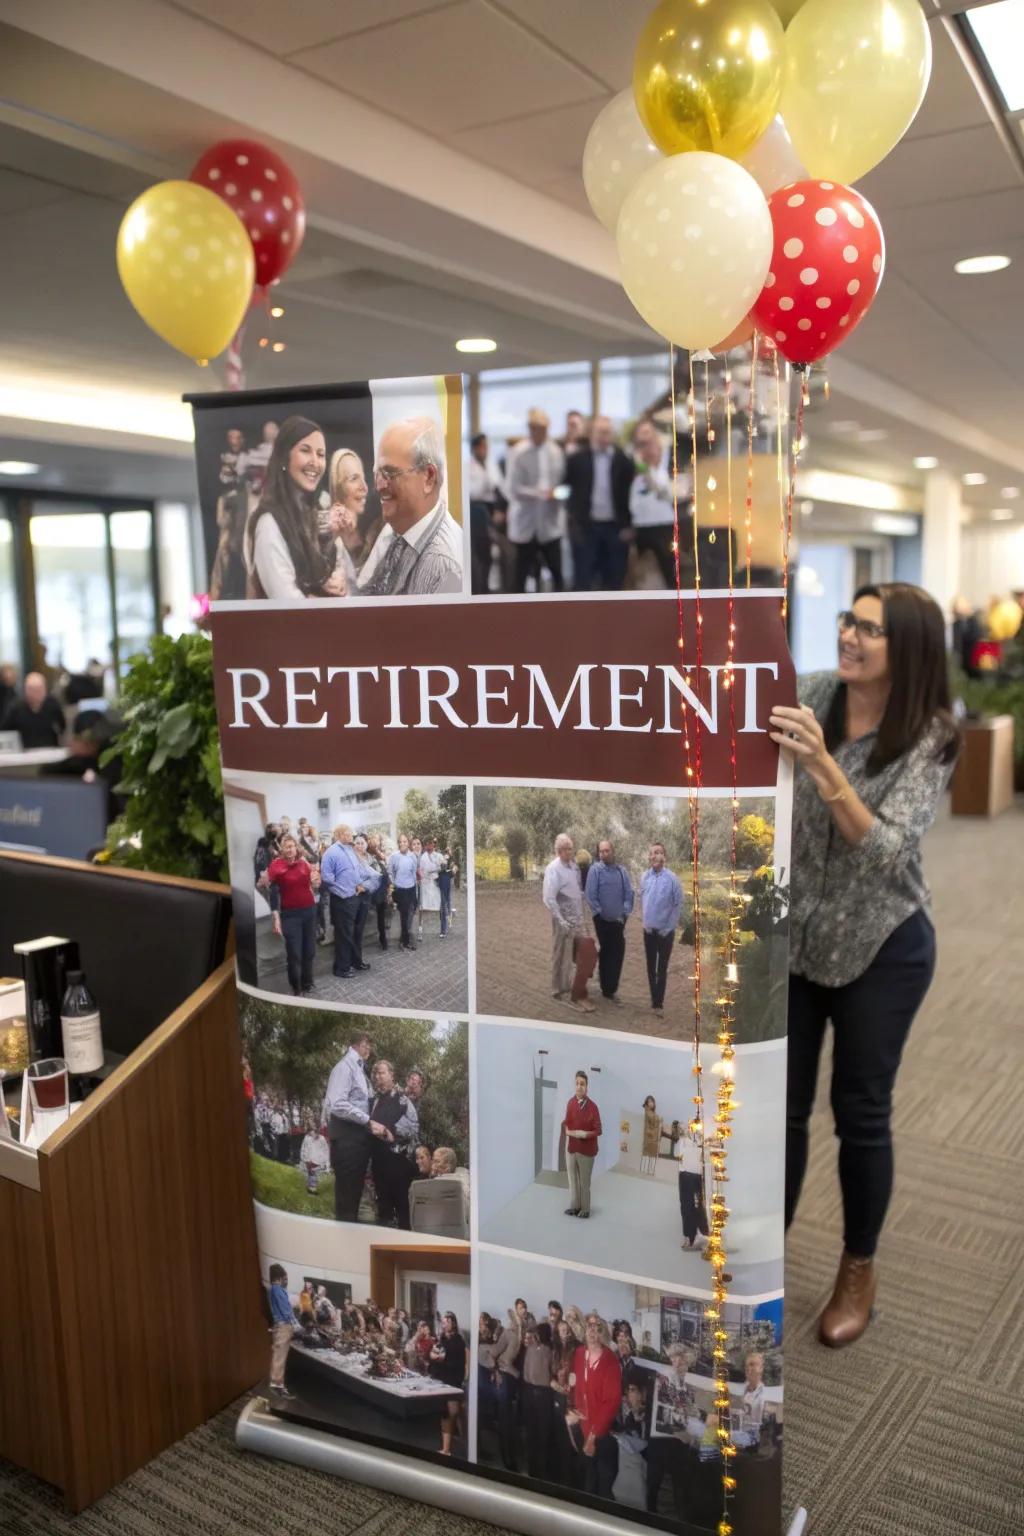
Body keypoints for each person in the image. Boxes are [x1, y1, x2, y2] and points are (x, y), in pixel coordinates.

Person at [771, 584, 959, 1348]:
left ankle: (859, 1268)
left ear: (905, 648)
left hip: (883, 945)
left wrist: (823, 766)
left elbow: (885, 849)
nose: (848, 635)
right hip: (798, 942)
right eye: (848, 619)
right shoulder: (816, 690)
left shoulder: (933, 735)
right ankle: (764, 1259)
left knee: (860, 1114)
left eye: (868, 629)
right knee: (778, 1111)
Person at [244, 415, 347, 599]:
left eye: (321, 454)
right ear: (284, 457)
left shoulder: (319, 512)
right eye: (305, 451)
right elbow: (288, 603)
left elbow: (334, 574)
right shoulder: (269, 523)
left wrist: (339, 581)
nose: (315, 462)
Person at [358, 417, 462, 595]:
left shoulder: (441, 564)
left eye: (390, 473)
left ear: (429, 477)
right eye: (378, 473)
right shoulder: (397, 528)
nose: (379, 485)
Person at [565, 414, 634, 591]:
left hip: (615, 528)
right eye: (600, 432)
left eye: (608, 432)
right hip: (586, 527)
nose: (604, 437)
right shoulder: (577, 459)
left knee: (614, 578)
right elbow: (565, 489)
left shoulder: (623, 461)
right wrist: (572, 518)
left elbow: (629, 494)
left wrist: (628, 524)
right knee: (583, 579)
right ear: (592, 434)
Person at [323, 1029, 386, 1222]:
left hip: (358, 1142)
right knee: (347, 1200)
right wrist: (367, 1120)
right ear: (357, 1044)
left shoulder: (360, 1070)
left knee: (353, 1198)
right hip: (347, 1141)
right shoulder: (345, 1067)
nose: (369, 1048)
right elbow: (337, 1104)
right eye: (367, 1044)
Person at [505, 408, 567, 592]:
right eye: (535, 428)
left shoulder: (556, 451)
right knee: (520, 577)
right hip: (526, 523)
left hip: (550, 524)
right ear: (530, 428)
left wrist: (556, 493)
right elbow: (512, 488)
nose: (539, 432)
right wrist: (539, 494)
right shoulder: (518, 452)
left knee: (557, 575)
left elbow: (563, 484)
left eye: (543, 428)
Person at [629, 418, 693, 589]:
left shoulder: (670, 459)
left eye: (648, 440)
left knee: (670, 572)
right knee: (641, 574)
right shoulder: (633, 464)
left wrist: (647, 470)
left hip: (665, 524)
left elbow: (668, 493)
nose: (645, 447)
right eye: (641, 443)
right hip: (641, 525)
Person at [567, 1316, 621, 1499]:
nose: (592, 1331)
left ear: (603, 1333)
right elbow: (575, 1384)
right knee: (587, 1480)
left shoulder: (610, 1361)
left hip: (601, 1433)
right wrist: (572, 1410)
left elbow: (612, 1402)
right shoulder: (580, 1353)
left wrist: (593, 1435)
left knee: (603, 1488)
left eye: (598, 1328)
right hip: (582, 1425)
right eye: (589, 1327)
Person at [263, 833, 320, 997]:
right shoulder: (276, 865)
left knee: (309, 951)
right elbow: (273, 893)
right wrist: (276, 916)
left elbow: (313, 882)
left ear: (296, 847)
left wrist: (316, 882)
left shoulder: (303, 863)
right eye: (286, 846)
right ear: (282, 849)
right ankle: (296, 987)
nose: (289, 849)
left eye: (292, 846)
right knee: (294, 953)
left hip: (309, 911)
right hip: (290, 915)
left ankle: (308, 982)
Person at [543, 834, 594, 1015]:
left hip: (577, 919)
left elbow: (578, 892)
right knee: (561, 955)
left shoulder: (573, 867)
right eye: (565, 848)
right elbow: (549, 898)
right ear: (558, 851)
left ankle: (576, 988)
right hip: (562, 920)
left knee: (587, 952)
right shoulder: (553, 869)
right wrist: (561, 920)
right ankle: (558, 990)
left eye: (571, 848)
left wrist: (582, 918)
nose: (569, 851)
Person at [320, 824, 379, 979]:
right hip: (341, 899)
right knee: (343, 935)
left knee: (353, 933)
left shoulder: (349, 849)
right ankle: (341, 968)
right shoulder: (331, 852)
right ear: (339, 834)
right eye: (347, 833)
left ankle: (354, 962)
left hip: (353, 897)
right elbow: (326, 877)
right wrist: (342, 888)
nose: (351, 836)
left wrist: (359, 884)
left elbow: (356, 870)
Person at [368, 1059, 418, 1228]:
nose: (378, 1077)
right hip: (378, 1165)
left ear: (392, 1075)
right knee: (384, 1212)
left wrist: (390, 1131)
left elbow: (413, 1126)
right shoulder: (373, 1100)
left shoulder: (402, 1099)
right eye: (375, 1074)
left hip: (399, 1165)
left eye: (381, 1073)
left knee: (403, 1210)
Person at [584, 839, 634, 1005]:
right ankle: (607, 989)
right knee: (607, 951)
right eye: (601, 851)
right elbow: (590, 895)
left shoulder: (622, 871)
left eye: (607, 851)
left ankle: (610, 988)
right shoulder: (595, 870)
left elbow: (629, 893)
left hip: (619, 920)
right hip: (602, 920)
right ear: (598, 853)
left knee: (618, 952)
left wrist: (624, 914)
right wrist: (599, 913)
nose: (604, 854)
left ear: (613, 851)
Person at [639, 843, 683, 1014]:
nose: (655, 856)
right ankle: (654, 999)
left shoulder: (672, 879)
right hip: (648, 931)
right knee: (650, 967)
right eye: (652, 853)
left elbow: (678, 904)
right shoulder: (645, 877)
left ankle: (659, 1004)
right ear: (649, 857)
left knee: (661, 968)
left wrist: (669, 927)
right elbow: (642, 898)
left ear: (664, 857)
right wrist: (644, 921)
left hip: (666, 932)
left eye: (658, 853)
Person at [468, 431, 506, 592]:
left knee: (498, 552)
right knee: (481, 553)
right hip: (477, 510)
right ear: (475, 448)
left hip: (494, 508)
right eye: (482, 447)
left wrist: (499, 509)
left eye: (487, 447)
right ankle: (481, 588)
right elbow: (473, 492)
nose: (485, 450)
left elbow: (500, 487)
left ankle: (498, 587)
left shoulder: (492, 465)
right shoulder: (467, 466)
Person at [562, 1071, 602, 1220]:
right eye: (577, 1083)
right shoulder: (571, 1103)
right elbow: (567, 1124)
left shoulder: (593, 1107)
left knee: (584, 1182)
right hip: (572, 1148)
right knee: (572, 1179)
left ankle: (585, 1209)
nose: (579, 1087)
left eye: (582, 1084)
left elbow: (598, 1130)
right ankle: (574, 1207)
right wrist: (572, 1133)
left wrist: (584, 1134)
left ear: (587, 1087)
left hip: (586, 1151)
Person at [326, 446, 371, 576]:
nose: (364, 487)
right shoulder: (328, 537)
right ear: (337, 487)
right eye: (353, 479)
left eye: (363, 478)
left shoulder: (372, 531)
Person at [429, 1312, 467, 1456]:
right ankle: (446, 1449)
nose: (444, 1325)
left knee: (455, 1413)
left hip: (453, 1381)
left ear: (453, 1324)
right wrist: (434, 1356)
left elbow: (457, 1362)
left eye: (446, 1322)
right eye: (443, 1322)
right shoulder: (442, 1338)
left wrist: (442, 1359)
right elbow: (435, 1354)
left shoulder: (458, 1341)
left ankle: (467, 1448)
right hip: (442, 1380)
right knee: (446, 1414)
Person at [520, 1322, 555, 1480]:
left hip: (544, 1395)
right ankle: (532, 1469)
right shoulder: (530, 1349)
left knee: (543, 1435)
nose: (536, 1336)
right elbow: (526, 1371)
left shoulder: (550, 1351)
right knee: (531, 1433)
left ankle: (543, 1473)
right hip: (529, 1393)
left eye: (539, 1333)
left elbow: (552, 1372)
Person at [1, 670, 64, 748]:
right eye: (31, 689)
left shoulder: (53, 705)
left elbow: (63, 728)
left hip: (49, 750)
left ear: (45, 690)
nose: (35, 694)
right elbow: (5, 732)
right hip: (23, 752)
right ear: (25, 690)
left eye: (39, 690)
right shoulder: (15, 707)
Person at [674, 1123, 708, 1250]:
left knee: (698, 1205)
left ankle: (701, 1234)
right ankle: (690, 1236)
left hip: (697, 1174)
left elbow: (705, 1156)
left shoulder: (701, 1138)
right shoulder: (683, 1139)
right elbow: (677, 1153)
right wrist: (681, 1138)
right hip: (686, 1173)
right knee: (687, 1205)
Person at [267, 1264, 296, 1398]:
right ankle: (278, 1385)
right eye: (285, 1278)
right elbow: (286, 1310)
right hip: (283, 1325)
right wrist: (295, 1324)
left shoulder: (273, 1289)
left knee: (278, 1355)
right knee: (280, 1356)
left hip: (279, 1325)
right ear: (280, 1277)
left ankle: (276, 1383)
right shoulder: (277, 1289)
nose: (286, 1281)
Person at [387, 832, 420, 951]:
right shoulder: (394, 857)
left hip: (411, 889)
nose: (402, 844)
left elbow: (414, 874)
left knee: (410, 915)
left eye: (404, 841)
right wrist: (393, 886)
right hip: (400, 890)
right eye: (400, 842)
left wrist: (415, 891)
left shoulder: (413, 856)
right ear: (398, 844)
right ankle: (405, 942)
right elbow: (390, 872)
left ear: (408, 843)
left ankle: (404, 939)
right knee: (404, 916)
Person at [430, 1145, 471, 1227]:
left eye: (437, 1161)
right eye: (433, 1161)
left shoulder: (438, 1184)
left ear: (447, 1167)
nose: (433, 1164)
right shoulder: (466, 1178)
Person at [364, 834, 391, 950]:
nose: (376, 845)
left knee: (381, 914)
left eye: (378, 843)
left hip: (382, 888)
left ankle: (383, 939)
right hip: (373, 888)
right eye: (374, 843)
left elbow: (386, 867)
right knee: (370, 914)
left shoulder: (380, 855)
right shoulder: (366, 857)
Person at [417, 837, 444, 940]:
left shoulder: (439, 856)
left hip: (436, 885)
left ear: (434, 844)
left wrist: (438, 869)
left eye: (431, 843)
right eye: (427, 843)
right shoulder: (422, 857)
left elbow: (443, 867)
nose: (429, 845)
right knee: (422, 908)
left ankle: (442, 930)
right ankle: (420, 931)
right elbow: (423, 871)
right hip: (425, 885)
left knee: (440, 907)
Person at [299, 1120, 330, 1194]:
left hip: (317, 1159)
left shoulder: (321, 1139)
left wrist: (325, 1161)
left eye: (315, 1131)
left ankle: (312, 1188)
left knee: (314, 1173)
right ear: (309, 1132)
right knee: (311, 1173)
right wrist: (305, 1158)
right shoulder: (307, 1138)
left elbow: (325, 1150)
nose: (313, 1134)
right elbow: (304, 1148)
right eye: (311, 1132)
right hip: (309, 1159)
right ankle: (311, 1188)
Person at [741, 1351, 765, 1439]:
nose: (748, 1368)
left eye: (752, 1365)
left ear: (761, 1368)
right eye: (746, 1365)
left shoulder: (765, 1394)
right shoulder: (740, 1390)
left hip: (753, 1439)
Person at [641, 1095, 661, 1176]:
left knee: (650, 1156)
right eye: (649, 1101)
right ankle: (646, 1173)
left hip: (652, 1137)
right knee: (647, 1156)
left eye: (652, 1101)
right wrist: (659, 1118)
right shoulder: (648, 1111)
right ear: (647, 1103)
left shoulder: (650, 1112)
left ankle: (648, 1173)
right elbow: (654, 1119)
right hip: (650, 1137)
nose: (651, 1103)